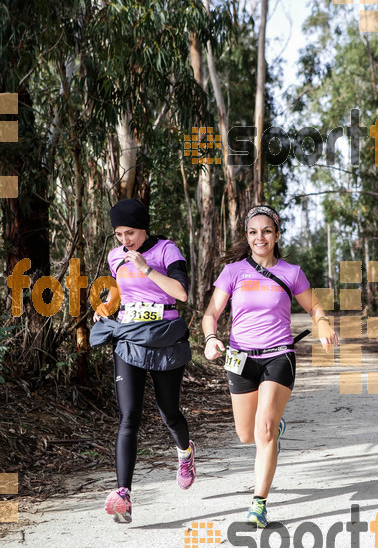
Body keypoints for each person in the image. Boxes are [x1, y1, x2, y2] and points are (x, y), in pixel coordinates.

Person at [202, 204, 338, 528]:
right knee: (247, 434)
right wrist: (209, 338)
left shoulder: (291, 272)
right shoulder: (233, 272)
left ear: (277, 234)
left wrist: (322, 323)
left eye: (266, 231)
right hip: (240, 358)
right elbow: (211, 313)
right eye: (252, 232)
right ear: (246, 237)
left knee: (263, 427)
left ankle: (258, 504)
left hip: (279, 355)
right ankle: (274, 428)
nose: (259, 237)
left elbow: (315, 305)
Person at [90, 199, 194, 524]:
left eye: (130, 233)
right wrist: (105, 308)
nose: (125, 241)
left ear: (143, 228)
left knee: (169, 412)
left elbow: (182, 293)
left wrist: (146, 266)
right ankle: (124, 495)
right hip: (130, 337)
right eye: (119, 234)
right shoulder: (114, 257)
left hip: (165, 337)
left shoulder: (167, 250)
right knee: (128, 416)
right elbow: (121, 292)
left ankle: (185, 452)